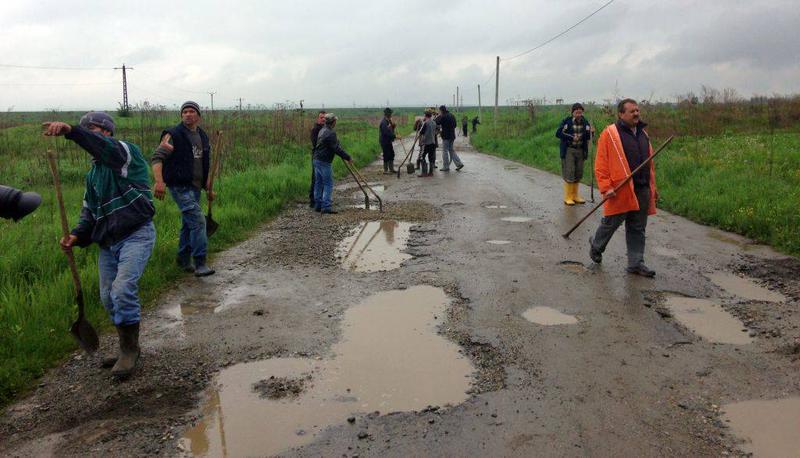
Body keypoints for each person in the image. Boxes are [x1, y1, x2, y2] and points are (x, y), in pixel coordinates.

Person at [43, 112, 156, 378]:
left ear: (107, 132)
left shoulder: (125, 154)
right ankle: (127, 347)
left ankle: (129, 352)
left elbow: (102, 147)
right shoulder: (93, 176)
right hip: (108, 242)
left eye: (93, 130)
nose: (91, 135)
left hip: (136, 234)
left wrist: (72, 131)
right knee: (107, 296)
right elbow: (89, 215)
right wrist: (76, 236)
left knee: (122, 289)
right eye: (87, 131)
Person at [589, 99, 658, 277]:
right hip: (620, 188)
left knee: (637, 227)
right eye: (632, 111)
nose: (636, 114)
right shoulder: (610, 134)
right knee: (612, 223)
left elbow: (650, 165)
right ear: (621, 114)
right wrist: (606, 187)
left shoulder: (643, 134)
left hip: (642, 188)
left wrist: (652, 187)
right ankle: (596, 245)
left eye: (637, 110)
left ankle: (636, 263)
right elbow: (601, 164)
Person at [151, 101, 216, 277]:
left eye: (191, 111)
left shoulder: (202, 136)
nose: (188, 114)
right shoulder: (174, 135)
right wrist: (159, 182)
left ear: (198, 116)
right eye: (185, 112)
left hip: (195, 187)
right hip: (179, 186)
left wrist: (207, 187)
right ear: (181, 115)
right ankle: (200, 263)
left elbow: (204, 163)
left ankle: (182, 260)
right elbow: (157, 158)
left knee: (188, 224)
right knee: (198, 221)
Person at [313, 113, 353, 213]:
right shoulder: (330, 133)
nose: (336, 122)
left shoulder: (322, 130)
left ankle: (318, 205)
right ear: (333, 122)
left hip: (316, 159)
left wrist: (336, 143)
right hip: (324, 161)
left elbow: (331, 145)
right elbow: (336, 149)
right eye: (335, 121)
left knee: (319, 183)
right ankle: (326, 207)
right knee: (328, 184)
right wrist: (348, 157)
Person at [556, 103, 593, 205]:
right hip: (569, 150)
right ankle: (568, 197)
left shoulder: (585, 123)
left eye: (580, 112)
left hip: (580, 150)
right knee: (570, 171)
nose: (578, 114)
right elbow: (558, 133)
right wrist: (571, 137)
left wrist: (591, 132)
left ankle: (575, 196)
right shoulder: (566, 122)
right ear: (572, 112)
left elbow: (588, 137)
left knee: (578, 172)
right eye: (576, 112)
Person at [435, 105, 464, 172]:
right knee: (451, 150)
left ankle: (446, 166)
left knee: (445, 151)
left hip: (446, 136)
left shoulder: (443, 116)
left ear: (441, 110)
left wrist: (438, 116)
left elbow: (436, 122)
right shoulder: (452, 115)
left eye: (439, 111)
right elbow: (455, 125)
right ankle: (459, 164)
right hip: (452, 136)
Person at [309, 111, 326, 207]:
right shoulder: (315, 130)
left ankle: (320, 199)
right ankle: (312, 200)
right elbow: (315, 144)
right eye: (321, 117)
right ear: (318, 119)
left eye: (324, 117)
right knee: (315, 178)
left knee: (322, 179)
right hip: (317, 157)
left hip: (324, 157)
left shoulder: (325, 129)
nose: (323, 119)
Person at [418, 110, 437, 177]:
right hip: (433, 142)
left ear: (426, 116)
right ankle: (431, 172)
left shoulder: (425, 123)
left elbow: (421, 132)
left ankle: (424, 173)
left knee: (421, 157)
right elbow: (436, 131)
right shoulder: (434, 123)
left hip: (426, 143)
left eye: (424, 115)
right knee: (431, 158)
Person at [379, 107, 397, 174]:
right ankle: (385, 170)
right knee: (386, 155)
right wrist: (395, 136)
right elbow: (386, 133)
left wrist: (393, 126)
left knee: (392, 154)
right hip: (384, 141)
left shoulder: (388, 121)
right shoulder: (384, 122)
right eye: (390, 113)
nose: (391, 115)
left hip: (388, 141)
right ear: (388, 114)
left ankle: (391, 169)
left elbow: (390, 129)